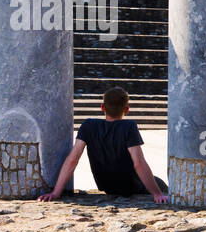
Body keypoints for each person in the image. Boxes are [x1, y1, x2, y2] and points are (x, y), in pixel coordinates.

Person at [38, 87, 168, 203]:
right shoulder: (129, 126)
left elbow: (72, 160)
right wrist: (157, 194)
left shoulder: (88, 125)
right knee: (160, 184)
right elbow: (138, 163)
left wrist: (56, 193)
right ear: (126, 109)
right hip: (129, 186)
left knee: (156, 181)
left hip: (106, 185)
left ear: (102, 107)